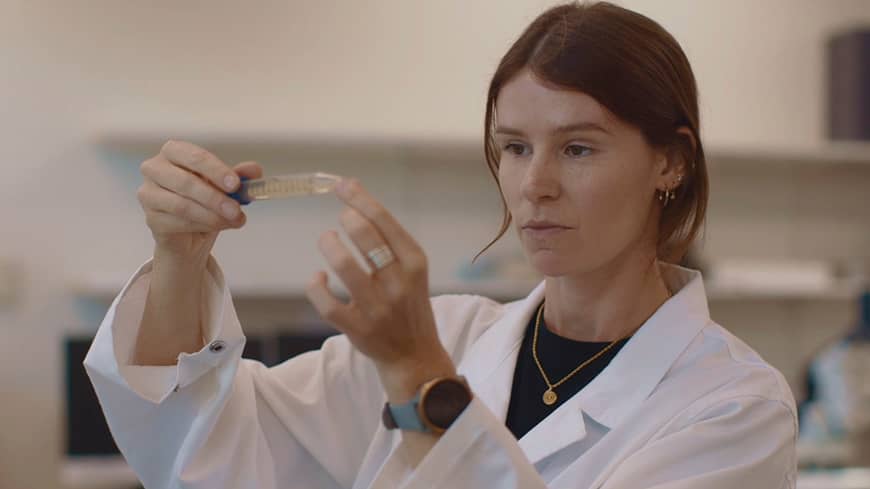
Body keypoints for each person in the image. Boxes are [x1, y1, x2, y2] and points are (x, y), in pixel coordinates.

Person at [85, 2, 797, 488]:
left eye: (578, 148)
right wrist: (180, 256)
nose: (534, 184)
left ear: (670, 161)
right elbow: (205, 451)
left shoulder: (734, 405)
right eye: (514, 147)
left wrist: (421, 377)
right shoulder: (456, 332)